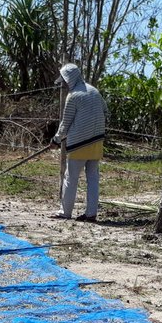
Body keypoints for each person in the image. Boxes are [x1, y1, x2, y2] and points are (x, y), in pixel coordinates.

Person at [51, 63, 107, 222]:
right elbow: (105, 110)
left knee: (71, 178)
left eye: (64, 80)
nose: (62, 83)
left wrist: (56, 139)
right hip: (97, 142)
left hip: (79, 144)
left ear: (69, 79)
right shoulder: (94, 91)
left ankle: (65, 212)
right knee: (93, 179)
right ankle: (91, 214)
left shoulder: (74, 96)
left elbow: (65, 123)